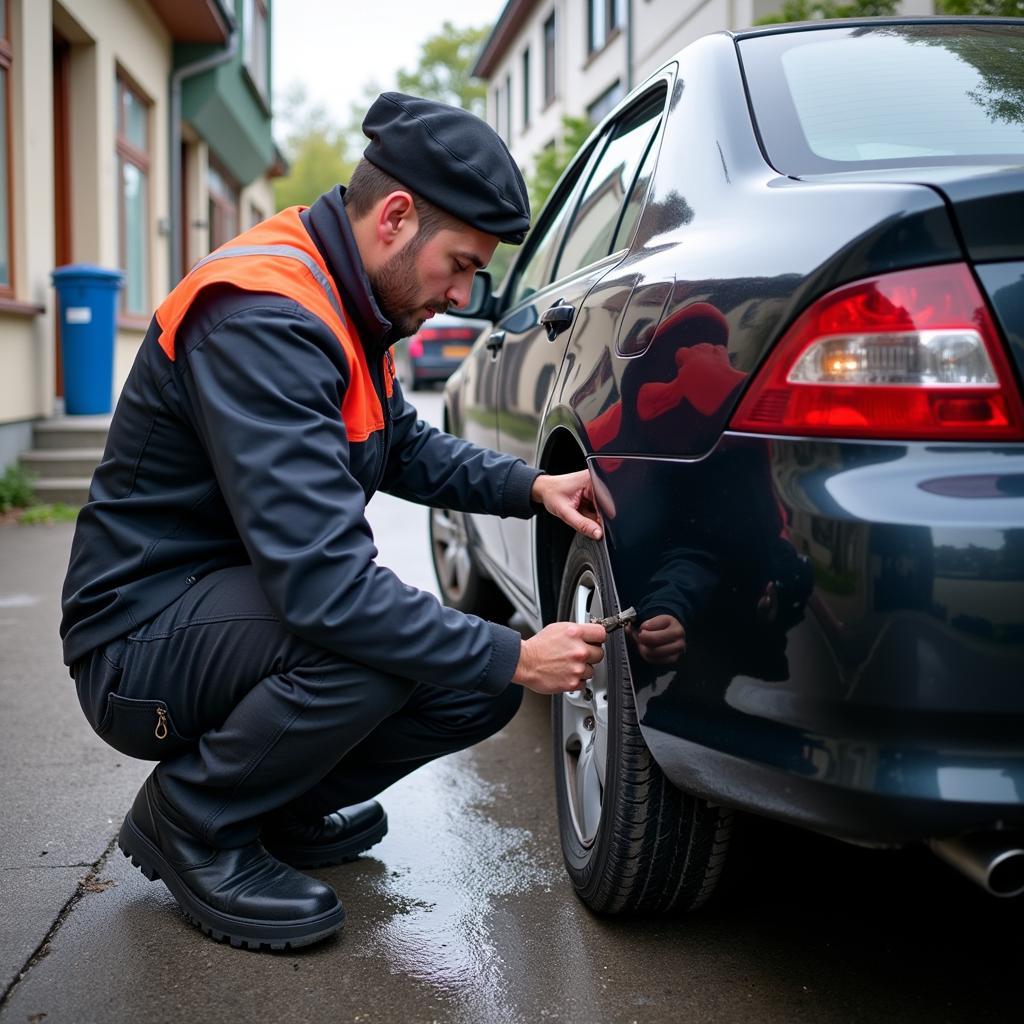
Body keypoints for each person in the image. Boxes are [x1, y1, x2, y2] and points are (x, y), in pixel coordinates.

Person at [60, 92, 607, 952]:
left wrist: (534, 487)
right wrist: (518, 651)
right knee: (377, 647)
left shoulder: (346, 300)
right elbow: (326, 591)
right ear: (396, 217)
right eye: (459, 265)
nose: (463, 296)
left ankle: (268, 804)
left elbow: (398, 447)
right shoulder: (264, 316)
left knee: (476, 684)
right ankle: (196, 819)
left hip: (230, 611)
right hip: (138, 638)